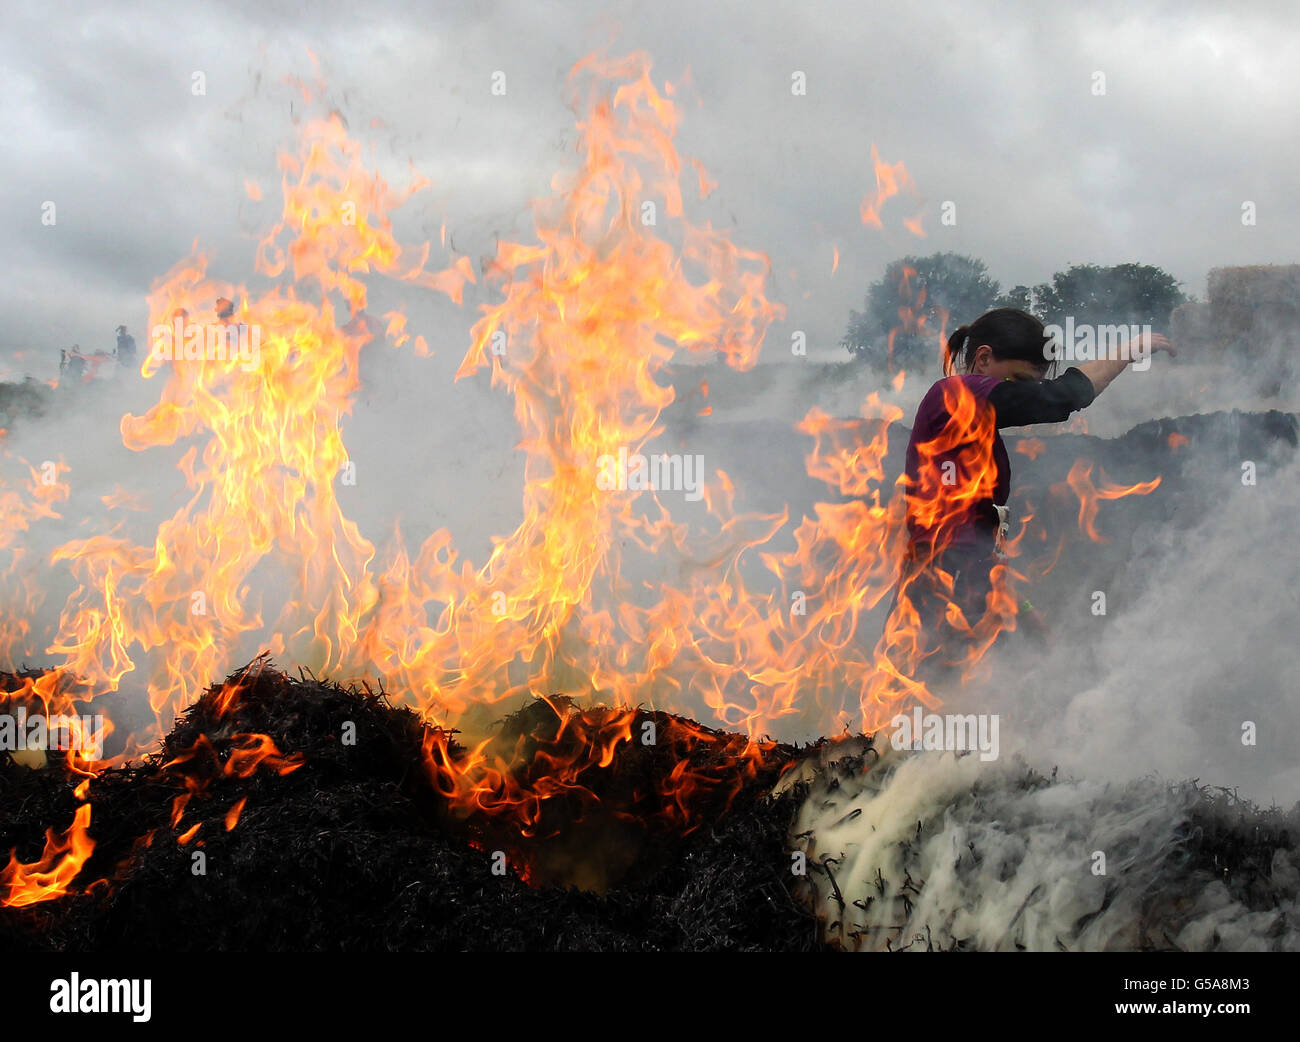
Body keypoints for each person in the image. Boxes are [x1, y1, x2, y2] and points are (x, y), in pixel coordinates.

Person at [883, 307, 1174, 676]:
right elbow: (1058, 400)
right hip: (937, 599)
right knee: (927, 710)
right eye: (1018, 379)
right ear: (984, 358)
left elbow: (974, 541)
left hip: (963, 587)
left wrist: (1022, 611)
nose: (1022, 392)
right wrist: (1130, 349)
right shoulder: (955, 393)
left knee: (1013, 688)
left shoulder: (975, 426)